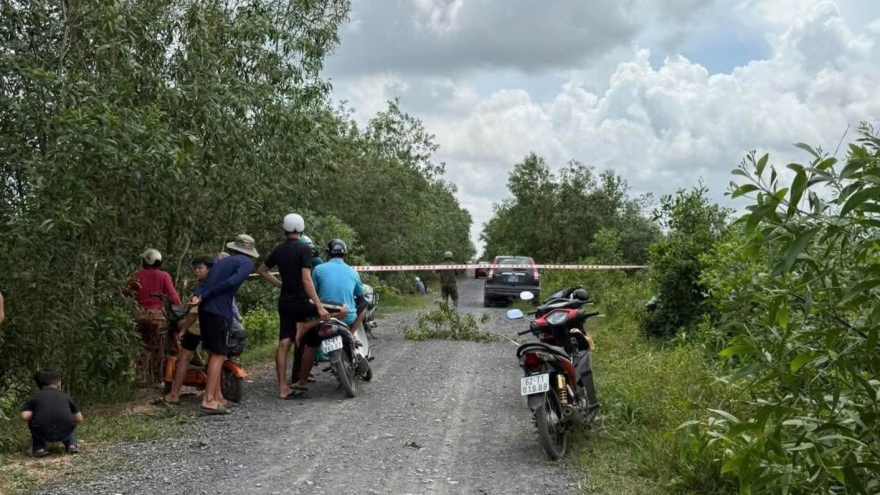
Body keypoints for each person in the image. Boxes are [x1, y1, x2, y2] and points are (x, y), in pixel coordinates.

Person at [257, 214, 341, 400]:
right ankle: (305, 327)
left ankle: (282, 388)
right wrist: (319, 306)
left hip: (285, 303)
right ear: (301, 229)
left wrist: (279, 284)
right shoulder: (304, 249)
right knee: (342, 310)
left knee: (283, 344)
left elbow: (262, 270)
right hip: (303, 303)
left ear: (285, 229)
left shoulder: (278, 249)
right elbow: (306, 279)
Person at [189, 234, 258, 414]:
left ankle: (218, 396)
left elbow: (204, 283)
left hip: (205, 310)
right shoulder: (246, 263)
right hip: (219, 311)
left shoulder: (220, 263)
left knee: (213, 354)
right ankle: (209, 400)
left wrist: (198, 296)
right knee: (219, 354)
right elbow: (232, 282)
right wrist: (206, 296)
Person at [307, 239, 363, 390]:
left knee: (310, 341)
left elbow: (313, 292)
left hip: (324, 316)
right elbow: (360, 294)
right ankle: (351, 334)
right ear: (344, 254)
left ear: (327, 253)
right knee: (364, 306)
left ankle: (303, 376)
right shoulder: (353, 271)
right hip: (347, 316)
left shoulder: (318, 269)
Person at [161, 256, 214, 406]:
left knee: (183, 357)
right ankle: (212, 395)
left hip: (198, 327)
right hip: (214, 326)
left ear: (208, 269)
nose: (196, 271)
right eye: (195, 268)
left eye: (200, 268)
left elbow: (193, 314)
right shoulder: (216, 284)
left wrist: (183, 330)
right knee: (213, 358)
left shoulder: (203, 287)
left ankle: (174, 394)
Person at [125, 249, 183, 385]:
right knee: (158, 347)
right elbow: (172, 295)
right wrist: (180, 310)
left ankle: (140, 375)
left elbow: (126, 294)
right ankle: (158, 379)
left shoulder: (135, 275)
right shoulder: (164, 276)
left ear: (145, 260)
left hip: (139, 314)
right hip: (157, 317)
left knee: (142, 345)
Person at [20, 370, 83, 457]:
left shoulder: (35, 397)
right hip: (65, 432)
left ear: (38, 385)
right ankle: (71, 445)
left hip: (42, 433)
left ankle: (38, 449)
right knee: (67, 420)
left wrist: (37, 414)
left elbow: (24, 416)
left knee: (34, 421)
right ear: (59, 384)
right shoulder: (66, 396)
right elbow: (80, 418)